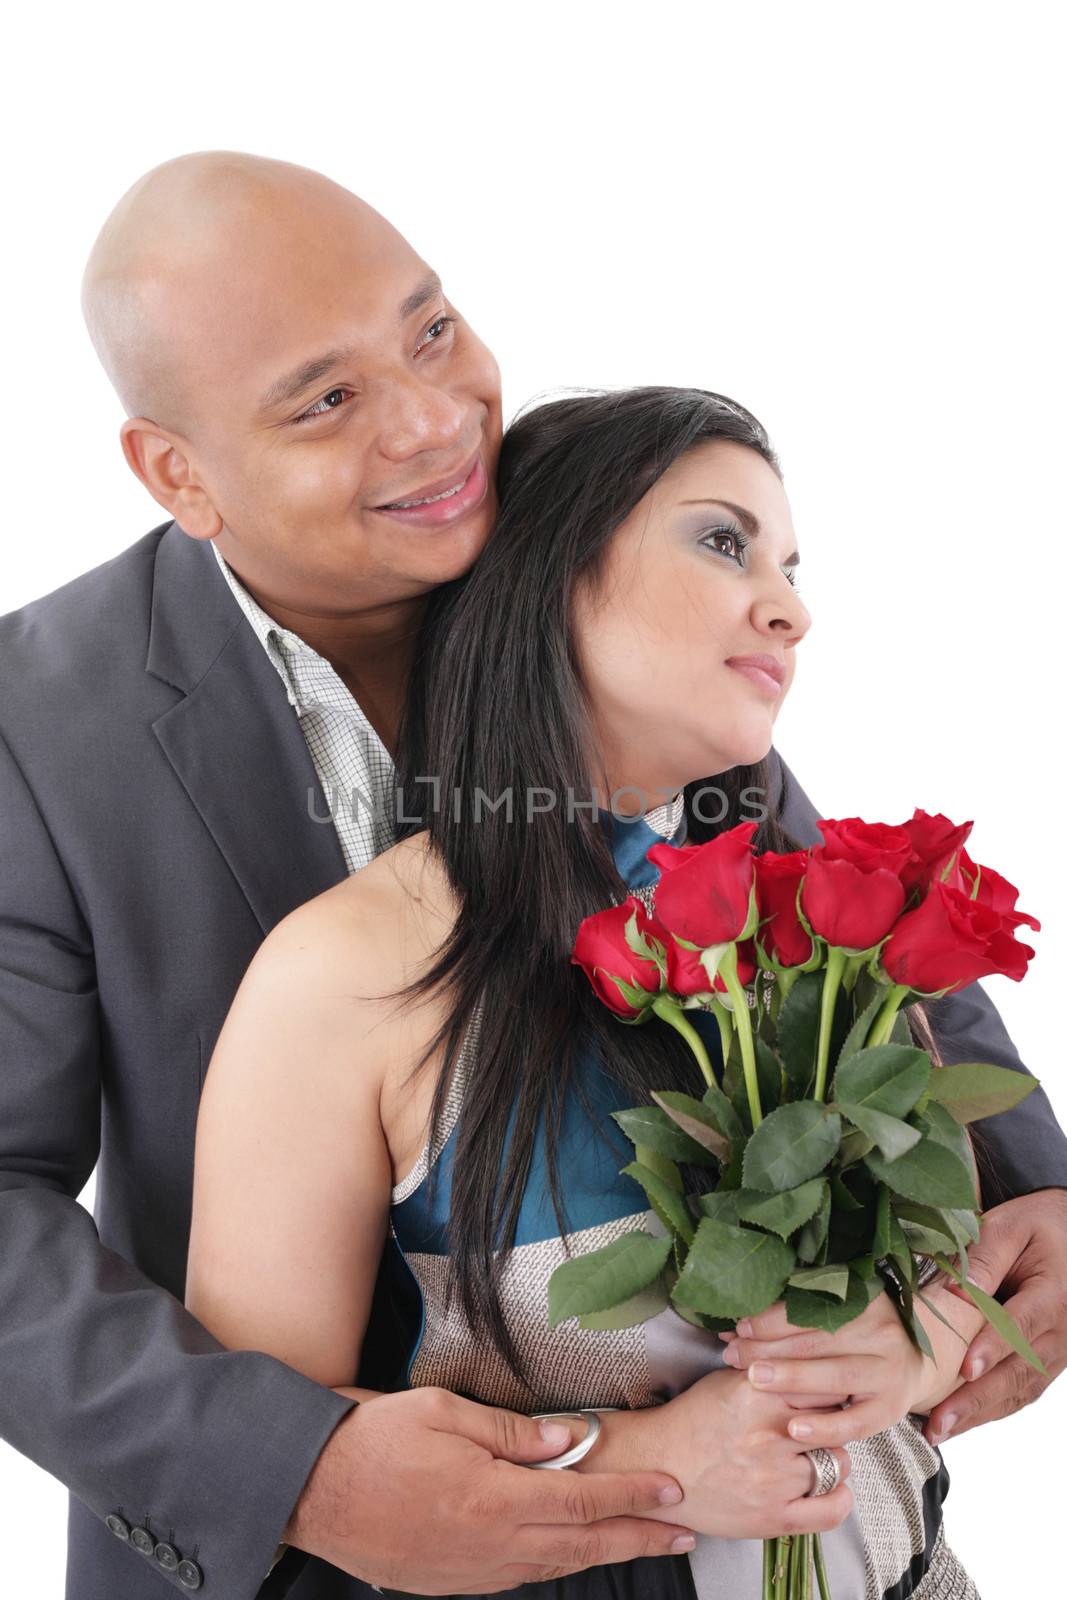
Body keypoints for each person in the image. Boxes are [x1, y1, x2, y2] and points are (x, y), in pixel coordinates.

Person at [0, 150, 1063, 1600]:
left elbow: (803, 893)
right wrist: (293, 1464)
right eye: (326, 399)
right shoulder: (37, 733)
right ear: (177, 468)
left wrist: (1029, 1189)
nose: (437, 425)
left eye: (430, 330)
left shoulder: (576, 575)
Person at [186, 384, 999, 1598]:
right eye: (724, 541)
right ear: (549, 571)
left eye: (789, 563)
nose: (789, 607)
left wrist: (913, 1348)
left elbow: (955, 1258)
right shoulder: (340, 976)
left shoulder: (814, 924)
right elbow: (265, 1453)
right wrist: (640, 1462)